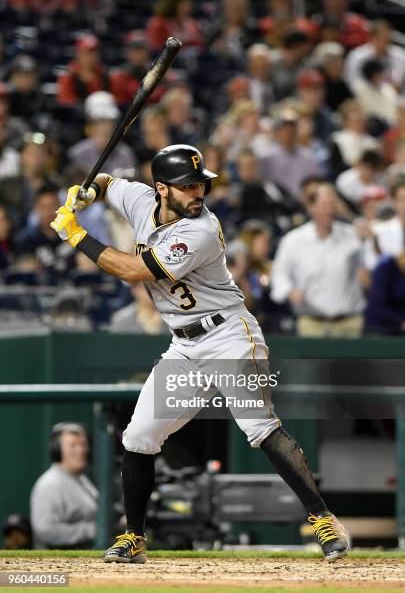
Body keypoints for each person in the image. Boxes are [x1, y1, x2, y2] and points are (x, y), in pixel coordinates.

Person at [50, 144, 349, 563]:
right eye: (187, 185)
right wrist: (88, 191)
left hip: (229, 335)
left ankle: (323, 520)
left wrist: (76, 235)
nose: (198, 192)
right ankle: (133, 537)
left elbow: (134, 272)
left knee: (259, 428)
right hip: (184, 344)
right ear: (161, 189)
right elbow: (108, 183)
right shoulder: (140, 199)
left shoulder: (201, 229)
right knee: (138, 436)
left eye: (200, 184)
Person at [271, 185, 365, 337]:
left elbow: (369, 267)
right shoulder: (293, 240)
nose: (329, 210)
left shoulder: (352, 236)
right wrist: (289, 291)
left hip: (349, 323)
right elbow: (279, 275)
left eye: (332, 204)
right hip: (311, 323)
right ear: (311, 207)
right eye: (324, 205)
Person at [30, 422, 98, 549]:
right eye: (73, 445)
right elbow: (46, 530)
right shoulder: (49, 484)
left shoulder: (82, 479)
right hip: (55, 565)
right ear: (57, 450)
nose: (81, 450)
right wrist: (91, 530)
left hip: (83, 562)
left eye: (83, 445)